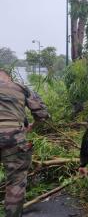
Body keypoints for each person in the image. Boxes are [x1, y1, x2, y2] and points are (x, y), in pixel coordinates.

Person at [0, 68, 49, 216]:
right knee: (15, 181)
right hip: (13, 137)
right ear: (9, 77)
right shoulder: (19, 87)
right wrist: (33, 125)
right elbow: (42, 113)